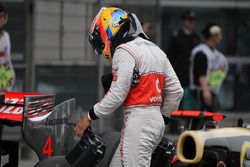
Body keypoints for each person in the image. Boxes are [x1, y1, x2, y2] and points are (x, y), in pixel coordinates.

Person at [74, 7, 183, 167]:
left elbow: (117, 94)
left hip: (138, 122)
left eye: (99, 39)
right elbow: (176, 91)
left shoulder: (124, 51)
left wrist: (89, 116)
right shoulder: (156, 50)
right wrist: (163, 117)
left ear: (108, 28)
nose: (100, 46)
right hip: (155, 123)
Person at [190, 23, 228, 112]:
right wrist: (206, 91)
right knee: (200, 117)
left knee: (211, 118)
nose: (220, 37)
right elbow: (200, 72)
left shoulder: (215, 53)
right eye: (218, 35)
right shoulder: (201, 51)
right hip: (200, 91)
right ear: (212, 36)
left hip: (210, 90)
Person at [168, 10, 199, 109]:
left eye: (193, 21)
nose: (191, 23)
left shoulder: (196, 37)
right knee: (177, 102)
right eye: (189, 20)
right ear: (183, 21)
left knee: (192, 103)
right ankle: (175, 124)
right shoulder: (176, 36)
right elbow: (170, 56)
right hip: (179, 74)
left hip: (191, 75)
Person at [0, 3, 15, 138]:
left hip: (2, 90)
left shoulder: (5, 37)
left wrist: (9, 81)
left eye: (1, 16)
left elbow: (7, 63)